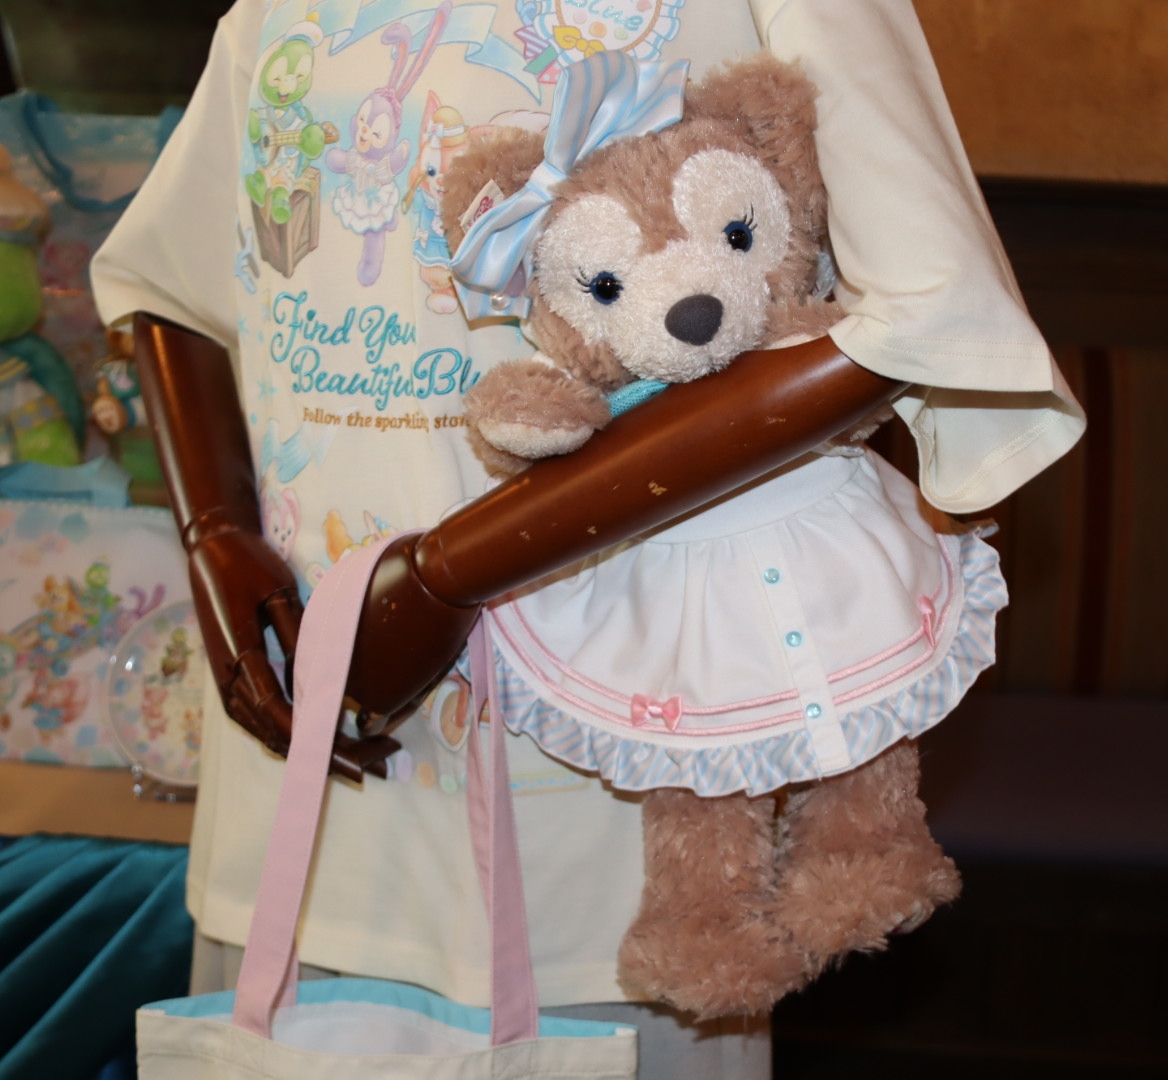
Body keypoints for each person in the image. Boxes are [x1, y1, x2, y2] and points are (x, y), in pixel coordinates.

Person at [91, 2, 1084, 1076]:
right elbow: (169, 286)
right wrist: (214, 529)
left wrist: (445, 577)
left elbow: (922, 314)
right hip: (301, 794)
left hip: (601, 807)